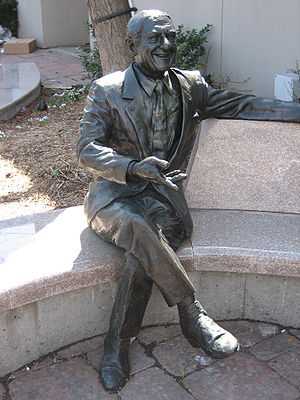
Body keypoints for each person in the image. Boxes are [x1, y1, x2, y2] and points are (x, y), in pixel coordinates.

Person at [78, 9, 300, 393]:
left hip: (164, 201)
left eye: (170, 37)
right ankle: (191, 312)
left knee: (140, 252)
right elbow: (86, 150)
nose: (166, 46)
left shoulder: (189, 85)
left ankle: (118, 345)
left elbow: (241, 106)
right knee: (136, 227)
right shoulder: (108, 90)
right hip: (113, 199)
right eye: (155, 39)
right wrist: (132, 167)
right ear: (133, 45)